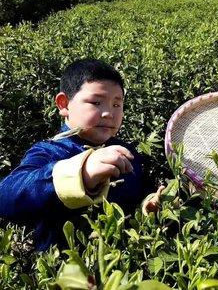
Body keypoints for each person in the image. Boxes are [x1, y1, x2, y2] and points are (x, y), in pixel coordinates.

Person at [0, 58, 163, 250]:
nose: (108, 113)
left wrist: (150, 203)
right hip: (65, 268)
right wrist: (81, 172)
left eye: (117, 105)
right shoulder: (49, 150)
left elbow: (139, 191)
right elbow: (7, 196)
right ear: (64, 104)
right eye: (96, 102)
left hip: (122, 265)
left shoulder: (125, 151)